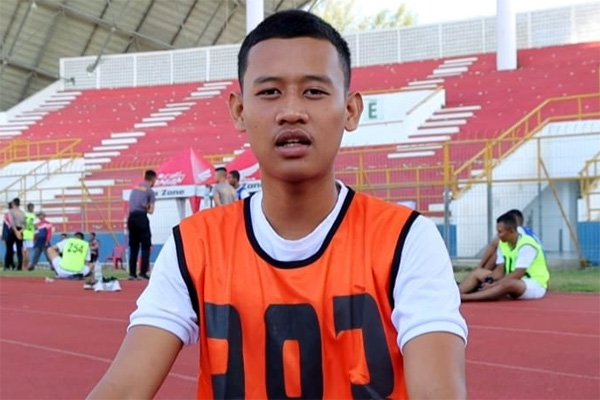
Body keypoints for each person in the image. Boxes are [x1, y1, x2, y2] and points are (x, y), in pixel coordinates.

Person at [88, 10, 467, 399]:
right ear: (239, 110)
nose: (291, 111)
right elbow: (123, 388)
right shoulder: (193, 246)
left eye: (314, 91)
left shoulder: (407, 240)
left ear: (350, 110)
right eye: (270, 92)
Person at [460, 212, 550, 302]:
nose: (497, 235)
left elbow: (518, 274)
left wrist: (493, 285)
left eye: (500, 232)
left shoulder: (527, 245)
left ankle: (465, 298)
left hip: (533, 284)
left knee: (509, 283)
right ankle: (456, 294)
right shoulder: (503, 243)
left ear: (511, 231)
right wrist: (490, 279)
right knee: (478, 272)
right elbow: (500, 269)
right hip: (512, 280)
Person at [127, 170, 156, 280]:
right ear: (153, 179)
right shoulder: (150, 191)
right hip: (141, 217)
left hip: (131, 217)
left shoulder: (134, 189)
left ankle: (132, 273)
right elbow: (151, 211)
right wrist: (146, 206)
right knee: (145, 246)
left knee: (133, 247)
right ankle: (143, 272)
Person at [5, 198, 25, 271]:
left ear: (13, 203)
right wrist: (20, 232)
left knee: (9, 249)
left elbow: (12, 222)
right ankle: (19, 266)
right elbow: (25, 224)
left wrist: (16, 231)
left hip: (13, 230)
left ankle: (7, 266)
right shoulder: (22, 212)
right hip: (21, 230)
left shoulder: (11, 211)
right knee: (19, 249)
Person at [22, 203, 36, 270]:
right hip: (29, 234)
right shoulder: (33, 216)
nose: (32, 209)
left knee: (24, 252)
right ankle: (26, 266)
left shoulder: (25, 215)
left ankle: (23, 266)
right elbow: (35, 226)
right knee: (27, 252)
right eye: (32, 207)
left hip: (25, 234)